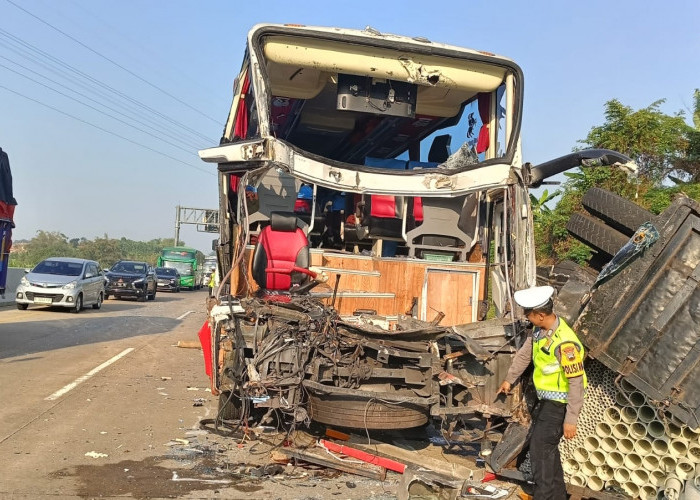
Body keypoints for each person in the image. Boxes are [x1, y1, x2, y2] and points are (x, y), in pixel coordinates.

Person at [497, 285, 587, 500]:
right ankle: (557, 496)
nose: (527, 318)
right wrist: (509, 379)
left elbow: (576, 382)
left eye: (528, 314)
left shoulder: (565, 343)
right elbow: (524, 356)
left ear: (540, 315)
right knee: (547, 452)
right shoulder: (538, 333)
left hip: (559, 406)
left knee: (540, 452)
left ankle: (544, 496)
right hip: (546, 402)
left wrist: (571, 420)